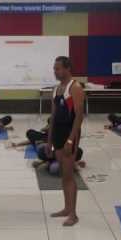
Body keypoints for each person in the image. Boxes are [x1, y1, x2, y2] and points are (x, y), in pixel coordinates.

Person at [47, 56, 85, 226]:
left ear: (68, 68)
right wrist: (49, 141)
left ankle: (73, 214)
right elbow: (53, 116)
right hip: (57, 134)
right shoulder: (56, 89)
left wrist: (70, 140)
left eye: (58, 68)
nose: (55, 72)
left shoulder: (75, 88)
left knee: (69, 175)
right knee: (63, 173)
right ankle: (66, 208)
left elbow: (79, 117)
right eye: (54, 69)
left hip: (70, 134)